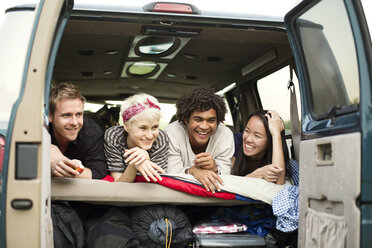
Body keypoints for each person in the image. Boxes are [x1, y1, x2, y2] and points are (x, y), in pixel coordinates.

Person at [165, 86, 234, 193]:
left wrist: (215, 167)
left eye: (211, 120)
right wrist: (193, 171)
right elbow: (171, 175)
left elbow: (226, 175)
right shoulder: (171, 133)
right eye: (198, 119)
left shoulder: (225, 134)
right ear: (186, 120)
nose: (204, 126)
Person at [104, 93, 169, 182]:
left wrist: (145, 159)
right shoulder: (114, 136)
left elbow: (156, 182)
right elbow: (118, 183)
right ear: (126, 126)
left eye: (155, 127)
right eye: (143, 128)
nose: (150, 135)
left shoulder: (160, 138)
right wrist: (135, 163)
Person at [49, 82, 107, 179]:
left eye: (79, 114)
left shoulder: (91, 132)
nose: (75, 122)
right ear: (50, 116)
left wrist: (62, 162)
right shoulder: (37, 131)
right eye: (66, 115)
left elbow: (97, 173)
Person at [231, 110, 289, 185]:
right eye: (247, 131)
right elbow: (229, 185)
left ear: (270, 142)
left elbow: (279, 183)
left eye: (257, 136)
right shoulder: (235, 144)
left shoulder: (276, 154)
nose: (248, 139)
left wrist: (276, 134)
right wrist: (257, 174)